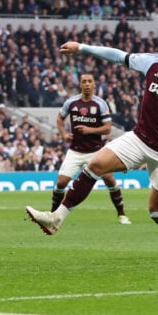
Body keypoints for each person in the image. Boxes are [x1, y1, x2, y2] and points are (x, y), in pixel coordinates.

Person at [25, 24, 158, 259]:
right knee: (95, 165)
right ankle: (56, 219)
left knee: (157, 212)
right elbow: (116, 55)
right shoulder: (153, 63)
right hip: (138, 139)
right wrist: (82, 48)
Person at [51, 73, 131, 225]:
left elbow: (107, 129)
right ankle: (53, 214)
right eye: (84, 82)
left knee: (110, 180)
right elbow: (60, 118)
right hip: (75, 151)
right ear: (80, 85)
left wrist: (89, 130)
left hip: (96, 151)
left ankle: (121, 214)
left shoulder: (100, 104)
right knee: (61, 182)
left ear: (94, 85)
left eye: (90, 81)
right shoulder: (71, 102)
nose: (87, 84)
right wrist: (63, 134)